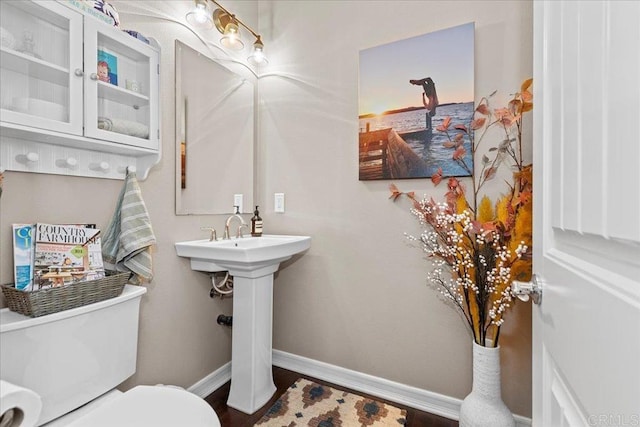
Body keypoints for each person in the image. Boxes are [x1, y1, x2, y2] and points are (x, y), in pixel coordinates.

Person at [410, 77, 439, 142]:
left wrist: (433, 87)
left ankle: (415, 82)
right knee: (425, 82)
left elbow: (434, 96)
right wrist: (423, 96)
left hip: (430, 93)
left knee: (427, 80)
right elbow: (425, 102)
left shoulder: (435, 104)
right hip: (429, 94)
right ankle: (415, 82)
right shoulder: (430, 107)